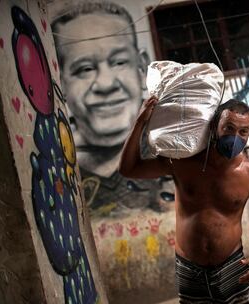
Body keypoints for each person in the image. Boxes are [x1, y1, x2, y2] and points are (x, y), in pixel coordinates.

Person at [119, 97, 249, 304]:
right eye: (228, 128)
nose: (235, 137)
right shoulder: (182, 162)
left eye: (243, 132)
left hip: (232, 265)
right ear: (214, 127)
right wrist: (140, 122)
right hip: (189, 269)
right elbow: (129, 169)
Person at [51, 2, 170, 212]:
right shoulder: (52, 161)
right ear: (60, 83)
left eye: (119, 62)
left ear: (142, 68)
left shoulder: (172, 147)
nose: (106, 84)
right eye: (84, 68)